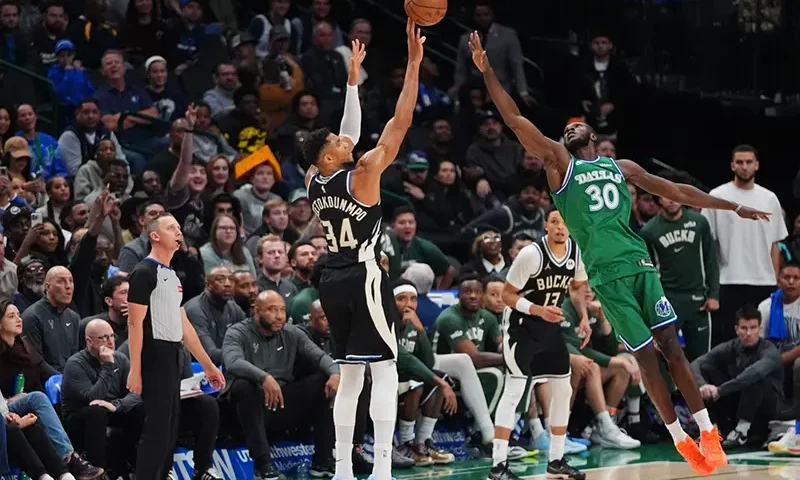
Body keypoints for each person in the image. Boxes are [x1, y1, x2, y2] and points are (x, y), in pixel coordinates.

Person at [468, 32, 769, 476]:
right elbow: (514, 118)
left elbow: (675, 189)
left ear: (592, 133)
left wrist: (731, 205)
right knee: (647, 358)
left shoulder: (620, 166)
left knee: (674, 349)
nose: (569, 128)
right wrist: (487, 70)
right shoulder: (559, 165)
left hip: (641, 264)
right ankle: (679, 438)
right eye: (564, 128)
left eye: (575, 125)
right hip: (607, 275)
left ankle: (706, 431)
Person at [302, 26, 423, 480]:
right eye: (336, 142)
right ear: (331, 157)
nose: (344, 140)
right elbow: (401, 122)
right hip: (365, 275)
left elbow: (346, 135)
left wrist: (353, 83)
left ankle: (341, 471)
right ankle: (383, 470)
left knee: (352, 376)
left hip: (331, 278)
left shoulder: (315, 180)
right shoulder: (366, 172)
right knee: (387, 371)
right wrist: (412, 64)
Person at [487, 207, 590, 480]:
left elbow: (578, 287)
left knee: (563, 390)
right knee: (515, 391)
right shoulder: (531, 254)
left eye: (565, 222)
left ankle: (556, 460)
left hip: (550, 326)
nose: (560, 227)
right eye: (554, 221)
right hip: (521, 327)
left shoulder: (576, 252)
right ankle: (497, 467)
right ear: (546, 226)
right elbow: (508, 296)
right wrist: (537, 310)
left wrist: (584, 317)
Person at [125, 212, 225, 480]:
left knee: (169, 430)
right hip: (153, 355)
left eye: (179, 228)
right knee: (157, 430)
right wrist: (135, 370)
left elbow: (185, 328)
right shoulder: (144, 271)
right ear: (155, 236)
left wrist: (208, 365)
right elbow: (134, 324)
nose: (178, 232)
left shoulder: (171, 275)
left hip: (173, 355)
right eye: (171, 228)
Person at [639, 171, 720, 361]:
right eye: (666, 195)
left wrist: (714, 294)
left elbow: (711, 261)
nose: (672, 200)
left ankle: (699, 392)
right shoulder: (649, 231)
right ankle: (671, 392)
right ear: (658, 197)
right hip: (667, 301)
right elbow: (647, 272)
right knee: (666, 357)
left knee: (702, 360)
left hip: (698, 300)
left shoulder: (699, 222)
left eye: (675, 193)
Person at [692, 306, 783, 448]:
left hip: (767, 406)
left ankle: (742, 431)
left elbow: (754, 374)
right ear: (736, 329)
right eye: (744, 328)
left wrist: (720, 390)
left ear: (760, 328)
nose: (748, 333)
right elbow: (695, 365)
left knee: (752, 377)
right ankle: (712, 429)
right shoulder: (731, 347)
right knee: (708, 370)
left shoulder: (769, 351)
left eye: (753, 328)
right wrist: (703, 386)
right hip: (739, 403)